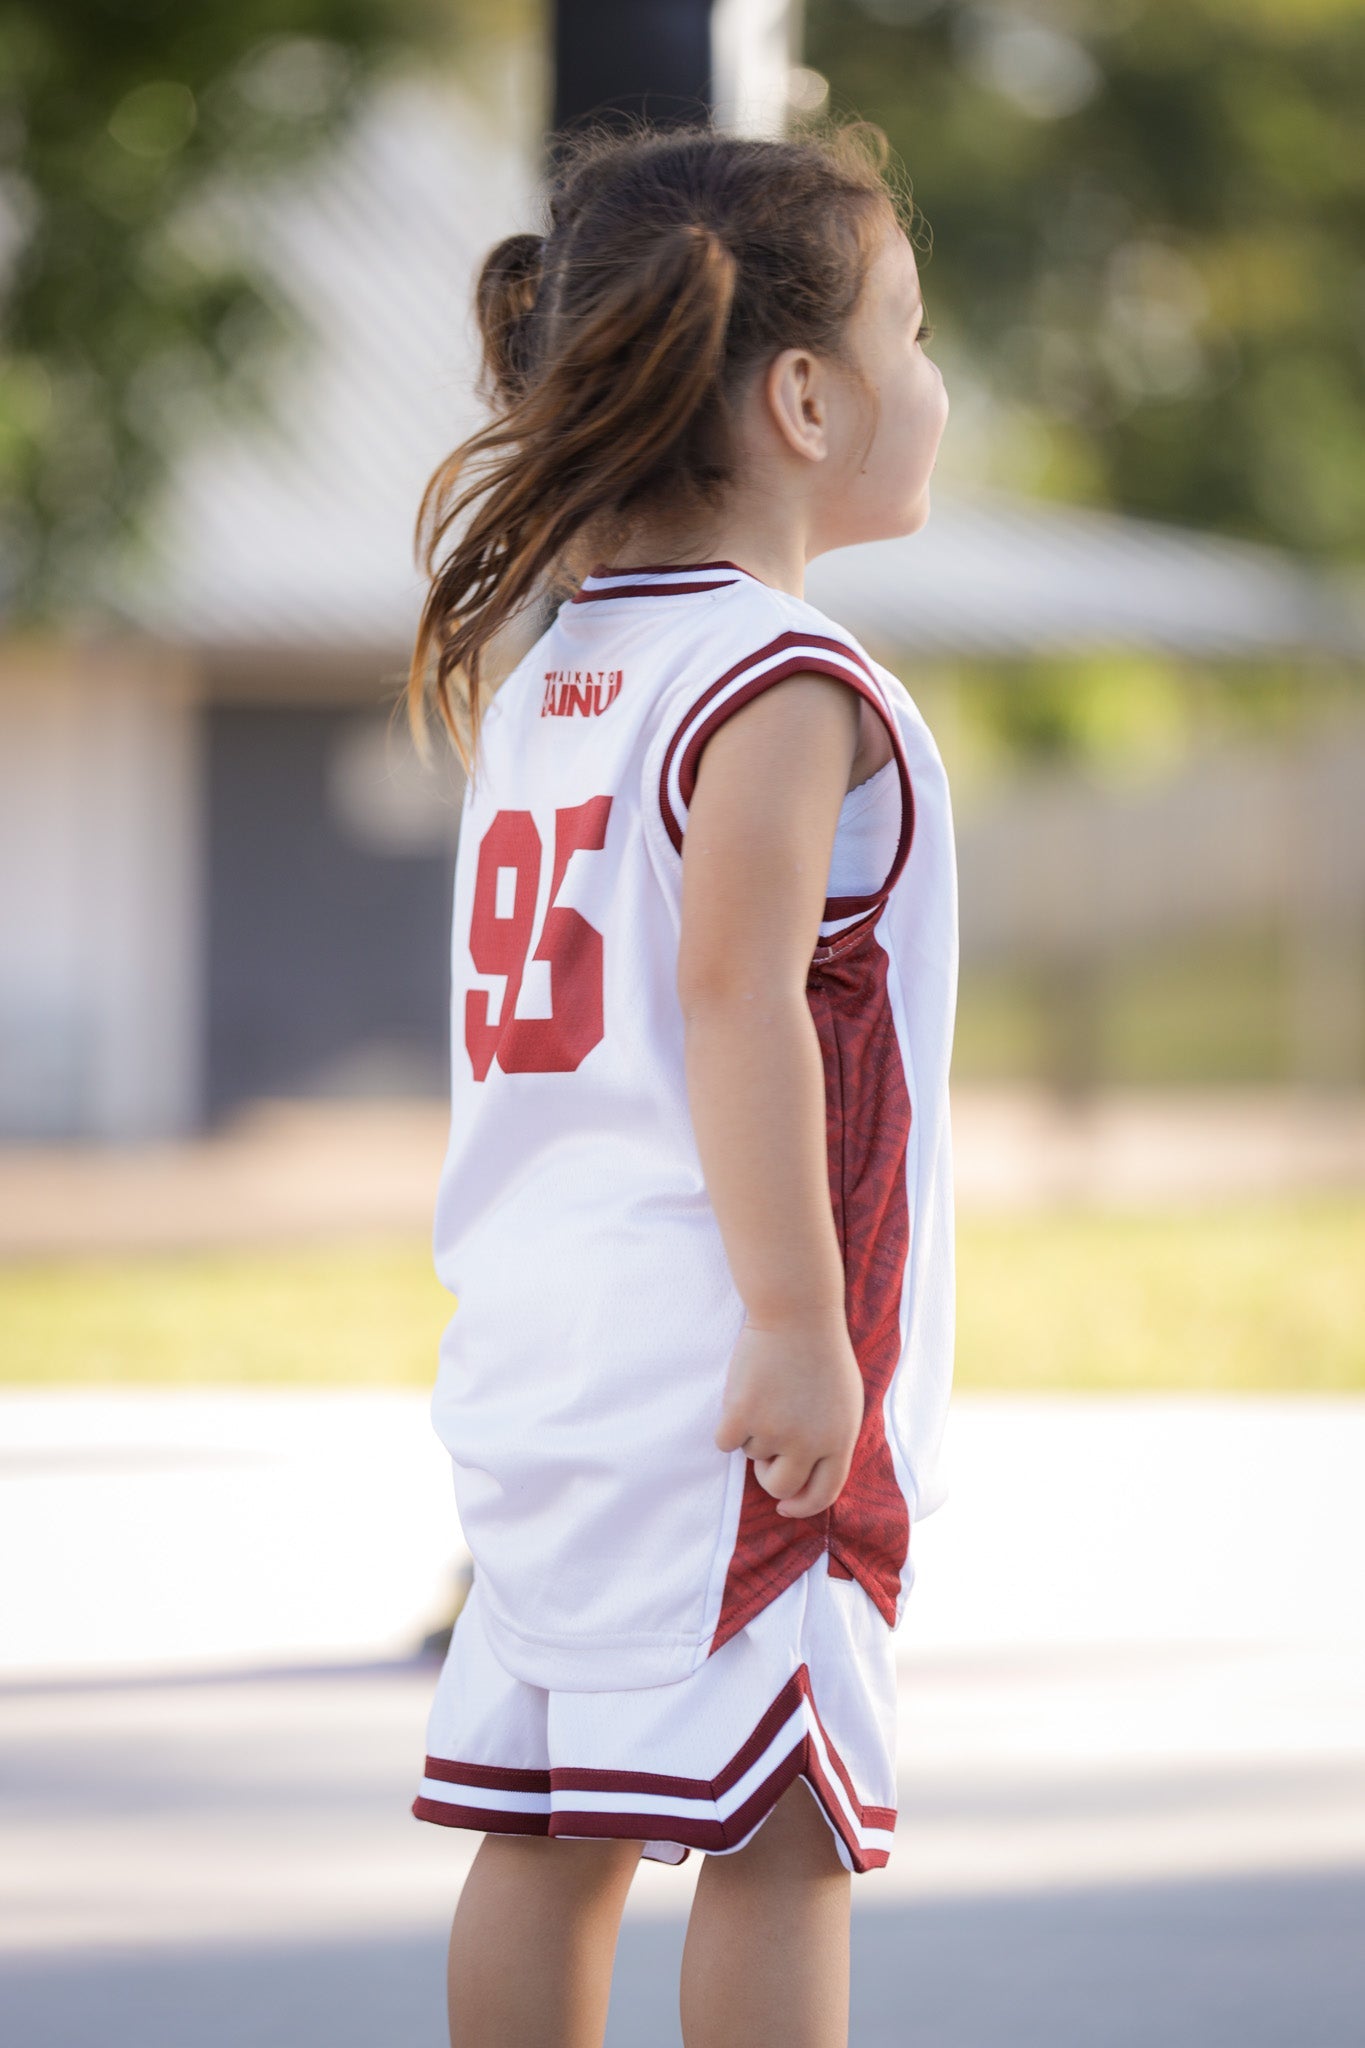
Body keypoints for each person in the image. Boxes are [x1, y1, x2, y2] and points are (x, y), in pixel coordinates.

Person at [402, 116, 958, 2048]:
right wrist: (805, 1327)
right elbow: (740, 1003)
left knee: (544, 1829)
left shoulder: (559, 675)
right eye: (913, 330)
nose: (934, 380)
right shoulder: (779, 678)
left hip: (544, 1347)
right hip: (727, 1368)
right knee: (783, 1830)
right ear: (806, 397)